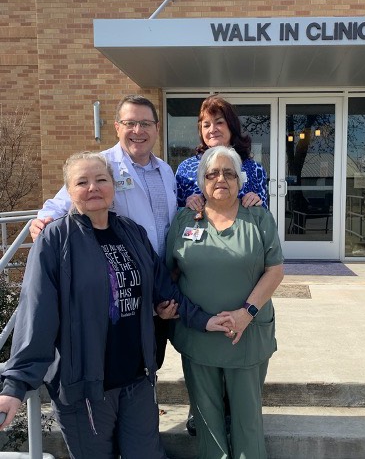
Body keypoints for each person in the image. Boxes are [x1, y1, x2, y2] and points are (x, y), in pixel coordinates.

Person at [0, 152, 234, 459]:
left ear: (113, 186)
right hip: (86, 386)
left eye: (101, 179)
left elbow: (163, 287)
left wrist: (204, 320)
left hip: (136, 377)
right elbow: (37, 315)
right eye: (82, 182)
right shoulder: (55, 240)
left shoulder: (130, 231)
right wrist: (15, 385)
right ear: (70, 191)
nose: (93, 187)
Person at [166, 146, 284, 458]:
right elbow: (170, 274)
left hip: (245, 336)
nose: (221, 178)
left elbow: (275, 269)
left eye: (229, 173)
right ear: (201, 181)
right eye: (213, 173)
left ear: (240, 180)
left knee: (247, 421)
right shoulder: (184, 220)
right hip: (198, 336)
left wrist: (247, 313)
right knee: (206, 420)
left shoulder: (258, 218)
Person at [29, 94, 176, 259]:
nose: (138, 130)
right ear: (117, 128)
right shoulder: (100, 165)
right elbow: (61, 204)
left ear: (157, 128)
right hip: (123, 270)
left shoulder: (166, 171)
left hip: (163, 272)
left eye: (145, 124)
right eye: (130, 123)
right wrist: (42, 222)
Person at [176, 95, 268, 211]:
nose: (212, 129)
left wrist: (256, 202)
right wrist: (187, 204)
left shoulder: (255, 169)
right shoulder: (185, 169)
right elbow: (176, 214)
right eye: (206, 125)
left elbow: (264, 215)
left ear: (231, 126)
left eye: (219, 122)